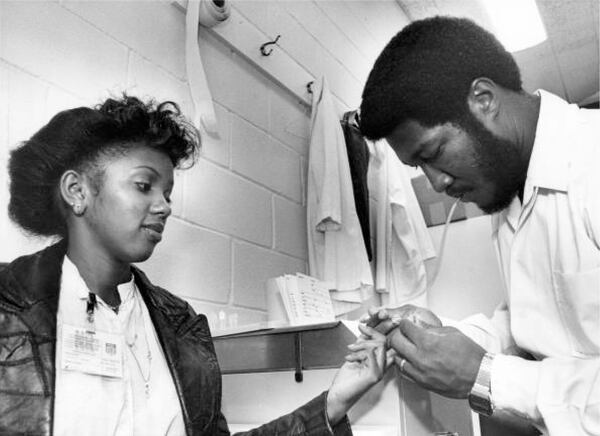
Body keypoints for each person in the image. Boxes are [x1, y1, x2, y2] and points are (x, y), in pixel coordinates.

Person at [0, 95, 389, 435]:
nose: (164, 206)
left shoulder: (181, 325)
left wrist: (337, 400)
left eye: (167, 192)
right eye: (143, 185)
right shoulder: (9, 306)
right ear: (77, 191)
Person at [356, 16, 599, 436]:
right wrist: (441, 335)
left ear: (483, 98)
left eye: (432, 153)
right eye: (418, 167)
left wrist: (487, 378)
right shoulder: (509, 192)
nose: (436, 182)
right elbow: (534, 325)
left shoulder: (591, 163)